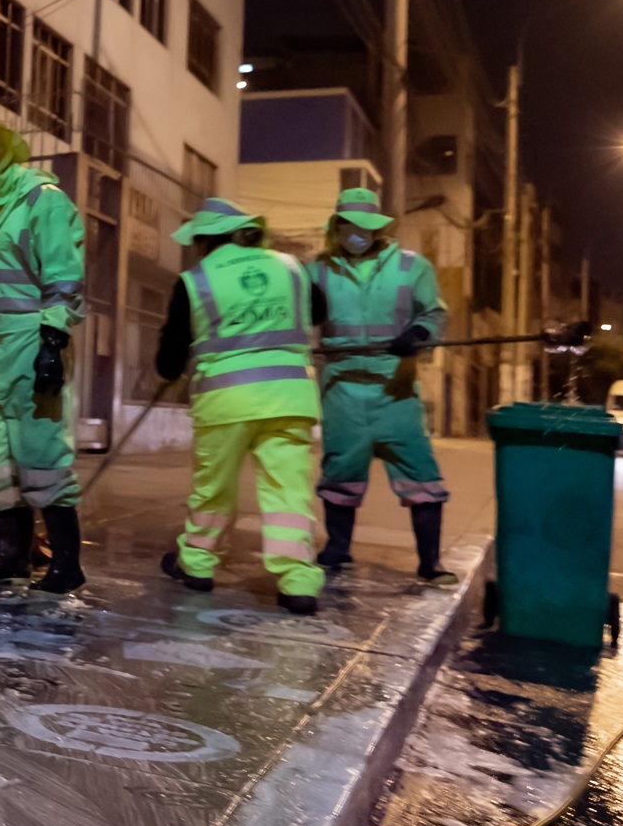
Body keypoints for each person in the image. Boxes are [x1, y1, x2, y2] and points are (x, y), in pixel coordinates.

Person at [153, 197, 325, 614]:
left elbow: (170, 358)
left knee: (214, 490)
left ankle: (197, 565)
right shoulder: (291, 266)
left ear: (207, 241)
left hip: (225, 401)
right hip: (289, 398)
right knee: (290, 493)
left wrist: (169, 372)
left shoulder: (196, 280)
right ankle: (298, 580)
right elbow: (319, 310)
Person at [0, 119, 87, 592]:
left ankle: (66, 564)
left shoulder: (41, 199)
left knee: (41, 454)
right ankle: (12, 556)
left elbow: (64, 277)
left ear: (3, 152)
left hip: (32, 338)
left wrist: (53, 341)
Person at [311, 186, 451, 581]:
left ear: (377, 228)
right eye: (348, 226)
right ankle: (337, 549)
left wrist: (420, 331)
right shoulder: (316, 272)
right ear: (336, 227)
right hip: (341, 390)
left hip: (397, 390)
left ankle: (430, 562)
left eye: (364, 226)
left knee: (421, 472)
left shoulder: (411, 266)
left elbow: (436, 314)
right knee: (340, 470)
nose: (356, 233)